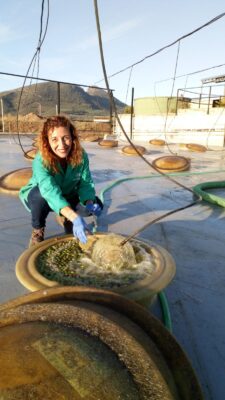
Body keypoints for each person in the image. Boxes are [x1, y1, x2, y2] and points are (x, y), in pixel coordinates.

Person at [19, 115, 103, 246]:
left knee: (91, 207)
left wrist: (89, 201)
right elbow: (49, 191)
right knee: (39, 196)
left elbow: (86, 183)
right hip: (43, 197)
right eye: (54, 139)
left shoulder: (81, 156)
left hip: (68, 193)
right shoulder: (40, 160)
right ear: (47, 141)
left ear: (72, 137)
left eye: (66, 138)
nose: (62, 145)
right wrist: (76, 217)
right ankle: (38, 230)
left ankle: (67, 218)